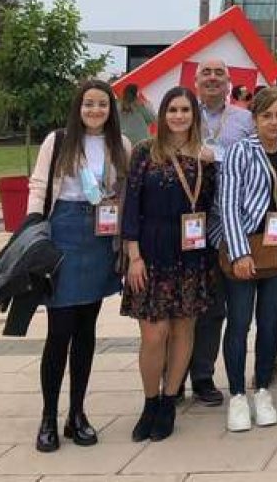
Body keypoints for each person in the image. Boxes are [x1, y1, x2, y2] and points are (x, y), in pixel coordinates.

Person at [27, 79, 131, 452]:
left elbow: (122, 193)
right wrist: (32, 228)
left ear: (110, 109)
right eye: (88, 104)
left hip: (100, 236)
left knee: (86, 330)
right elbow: (38, 186)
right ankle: (48, 417)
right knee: (59, 331)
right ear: (78, 107)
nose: (95, 110)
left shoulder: (120, 145)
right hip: (64, 231)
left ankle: (77, 413)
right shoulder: (58, 141)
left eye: (102, 104)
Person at [121, 86, 218, 442]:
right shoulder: (146, 153)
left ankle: (168, 402)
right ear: (162, 115)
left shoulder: (206, 158)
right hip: (151, 253)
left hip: (192, 256)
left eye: (185, 110)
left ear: (194, 116)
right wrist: (133, 256)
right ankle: (149, 401)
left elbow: (212, 207)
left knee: (182, 330)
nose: (178, 116)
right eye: (172, 110)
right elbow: (130, 206)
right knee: (153, 333)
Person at [217, 87, 277, 432]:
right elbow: (227, 203)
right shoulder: (240, 151)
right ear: (254, 119)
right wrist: (239, 252)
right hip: (245, 246)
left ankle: (263, 390)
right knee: (239, 323)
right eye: (266, 116)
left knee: (270, 323)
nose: (274, 122)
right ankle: (238, 395)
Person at [187, 59, 256, 408]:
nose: (212, 79)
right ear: (195, 81)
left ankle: (202, 376)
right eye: (206, 73)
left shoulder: (244, 119)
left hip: (230, 225)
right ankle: (171, 377)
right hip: (187, 221)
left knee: (216, 308)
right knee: (183, 305)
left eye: (219, 74)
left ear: (230, 83)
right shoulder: (183, 112)